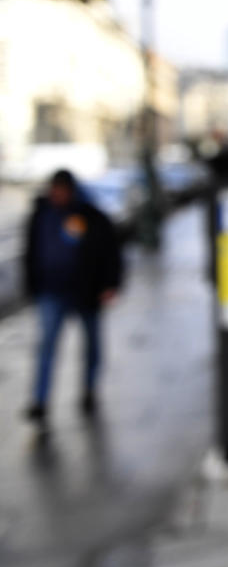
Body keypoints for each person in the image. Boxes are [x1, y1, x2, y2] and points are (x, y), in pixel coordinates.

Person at [22, 169, 122, 424]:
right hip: (51, 291)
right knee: (47, 347)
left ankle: (89, 390)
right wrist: (32, 285)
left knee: (91, 345)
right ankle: (40, 401)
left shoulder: (91, 215)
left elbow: (110, 250)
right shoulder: (41, 214)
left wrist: (110, 284)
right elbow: (31, 250)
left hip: (85, 291)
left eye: (63, 190)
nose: (58, 194)